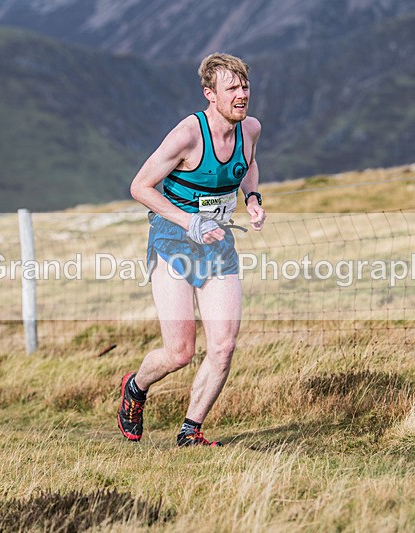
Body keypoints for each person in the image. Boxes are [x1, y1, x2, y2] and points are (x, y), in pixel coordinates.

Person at [118, 52, 266, 447]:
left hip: (218, 246)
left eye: (245, 86)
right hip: (173, 243)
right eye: (231, 88)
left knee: (223, 345)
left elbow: (248, 165)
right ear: (209, 94)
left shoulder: (249, 129)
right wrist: (190, 221)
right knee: (180, 352)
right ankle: (135, 388)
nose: (241, 94)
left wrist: (252, 198)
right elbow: (140, 186)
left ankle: (190, 431)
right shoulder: (187, 134)